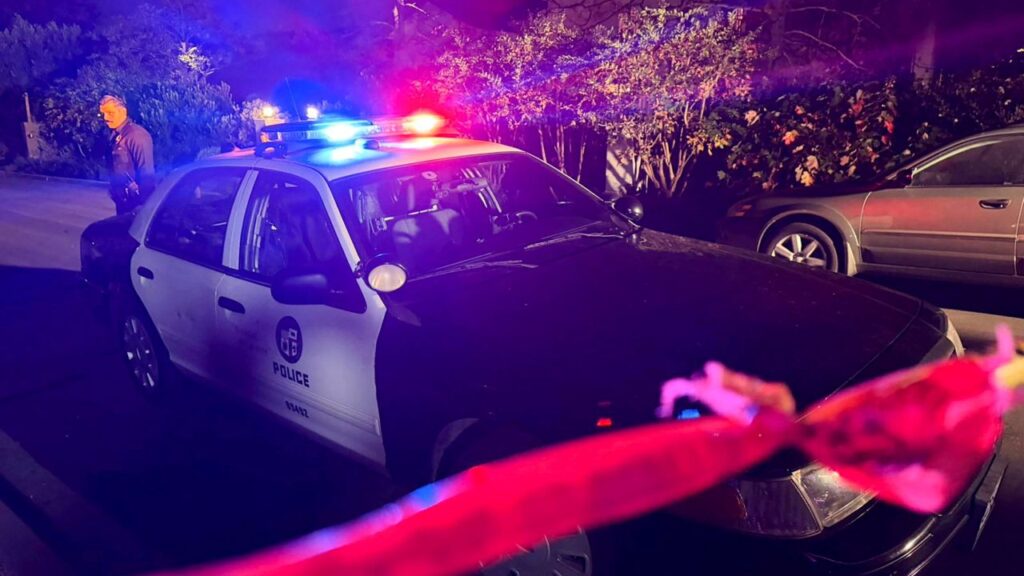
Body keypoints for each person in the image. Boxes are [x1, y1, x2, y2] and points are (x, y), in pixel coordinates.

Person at [99, 95, 155, 215]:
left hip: (135, 204)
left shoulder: (136, 135)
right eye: (103, 114)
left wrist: (143, 206)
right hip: (122, 200)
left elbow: (146, 173)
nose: (105, 118)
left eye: (110, 113)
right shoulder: (116, 134)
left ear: (123, 111)